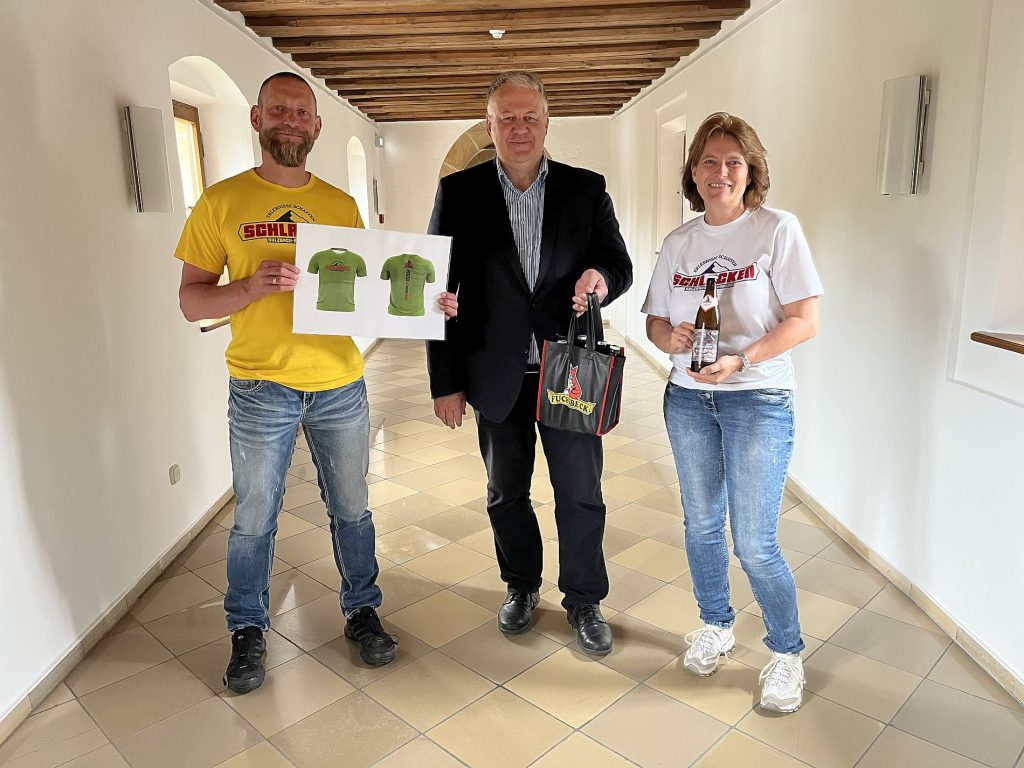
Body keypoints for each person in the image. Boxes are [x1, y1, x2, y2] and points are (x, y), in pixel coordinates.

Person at [175, 72, 402, 694]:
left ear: (317, 126)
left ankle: (362, 611)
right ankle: (247, 629)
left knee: (352, 511)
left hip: (339, 384)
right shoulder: (220, 202)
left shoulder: (339, 205)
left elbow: (367, 292)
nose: (291, 120)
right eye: (279, 110)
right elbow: (191, 302)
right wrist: (248, 288)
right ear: (256, 119)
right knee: (254, 519)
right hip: (259, 387)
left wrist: (425, 300)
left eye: (301, 112)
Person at [426, 71, 632, 656]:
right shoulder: (460, 193)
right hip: (495, 376)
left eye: (530, 117)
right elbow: (433, 290)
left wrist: (602, 280)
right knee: (505, 492)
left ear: (547, 121)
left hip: (570, 372)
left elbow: (618, 265)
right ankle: (520, 585)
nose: (520, 128)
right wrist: (446, 381)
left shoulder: (585, 189)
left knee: (579, 492)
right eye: (507, 118)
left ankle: (585, 598)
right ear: (489, 125)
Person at [642, 112, 822, 712]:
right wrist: (671, 340)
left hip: (758, 400)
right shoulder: (679, 244)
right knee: (699, 525)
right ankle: (716, 625)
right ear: (694, 172)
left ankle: (786, 652)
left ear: (751, 172)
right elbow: (656, 321)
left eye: (733, 162)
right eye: (709, 162)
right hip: (689, 401)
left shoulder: (777, 230)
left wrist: (740, 362)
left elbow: (805, 320)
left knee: (754, 541)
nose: (720, 172)